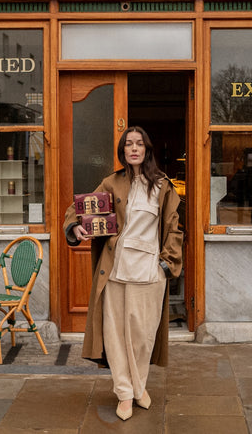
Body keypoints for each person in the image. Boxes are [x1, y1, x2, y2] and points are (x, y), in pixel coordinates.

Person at [63, 126, 183, 421]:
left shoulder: (163, 186)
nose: (133, 149)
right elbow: (78, 209)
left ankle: (139, 386)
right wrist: (76, 227)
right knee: (115, 335)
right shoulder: (111, 182)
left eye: (139, 144)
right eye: (128, 144)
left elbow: (174, 228)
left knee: (141, 337)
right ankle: (125, 393)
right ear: (122, 150)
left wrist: (166, 264)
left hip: (150, 272)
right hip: (115, 271)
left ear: (147, 149)